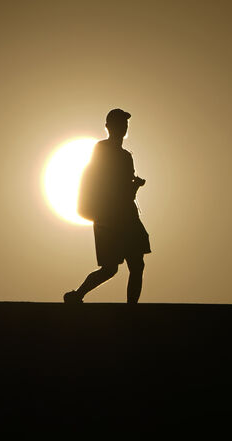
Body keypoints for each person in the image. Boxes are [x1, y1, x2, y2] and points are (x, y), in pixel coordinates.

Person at [64, 108, 151, 304]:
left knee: (137, 264)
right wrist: (131, 186)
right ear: (109, 127)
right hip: (109, 217)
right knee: (111, 268)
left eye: (125, 124)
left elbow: (125, 192)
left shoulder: (126, 156)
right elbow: (105, 183)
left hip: (127, 216)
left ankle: (131, 308)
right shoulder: (102, 150)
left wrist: (134, 186)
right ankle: (78, 295)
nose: (123, 127)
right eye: (119, 123)